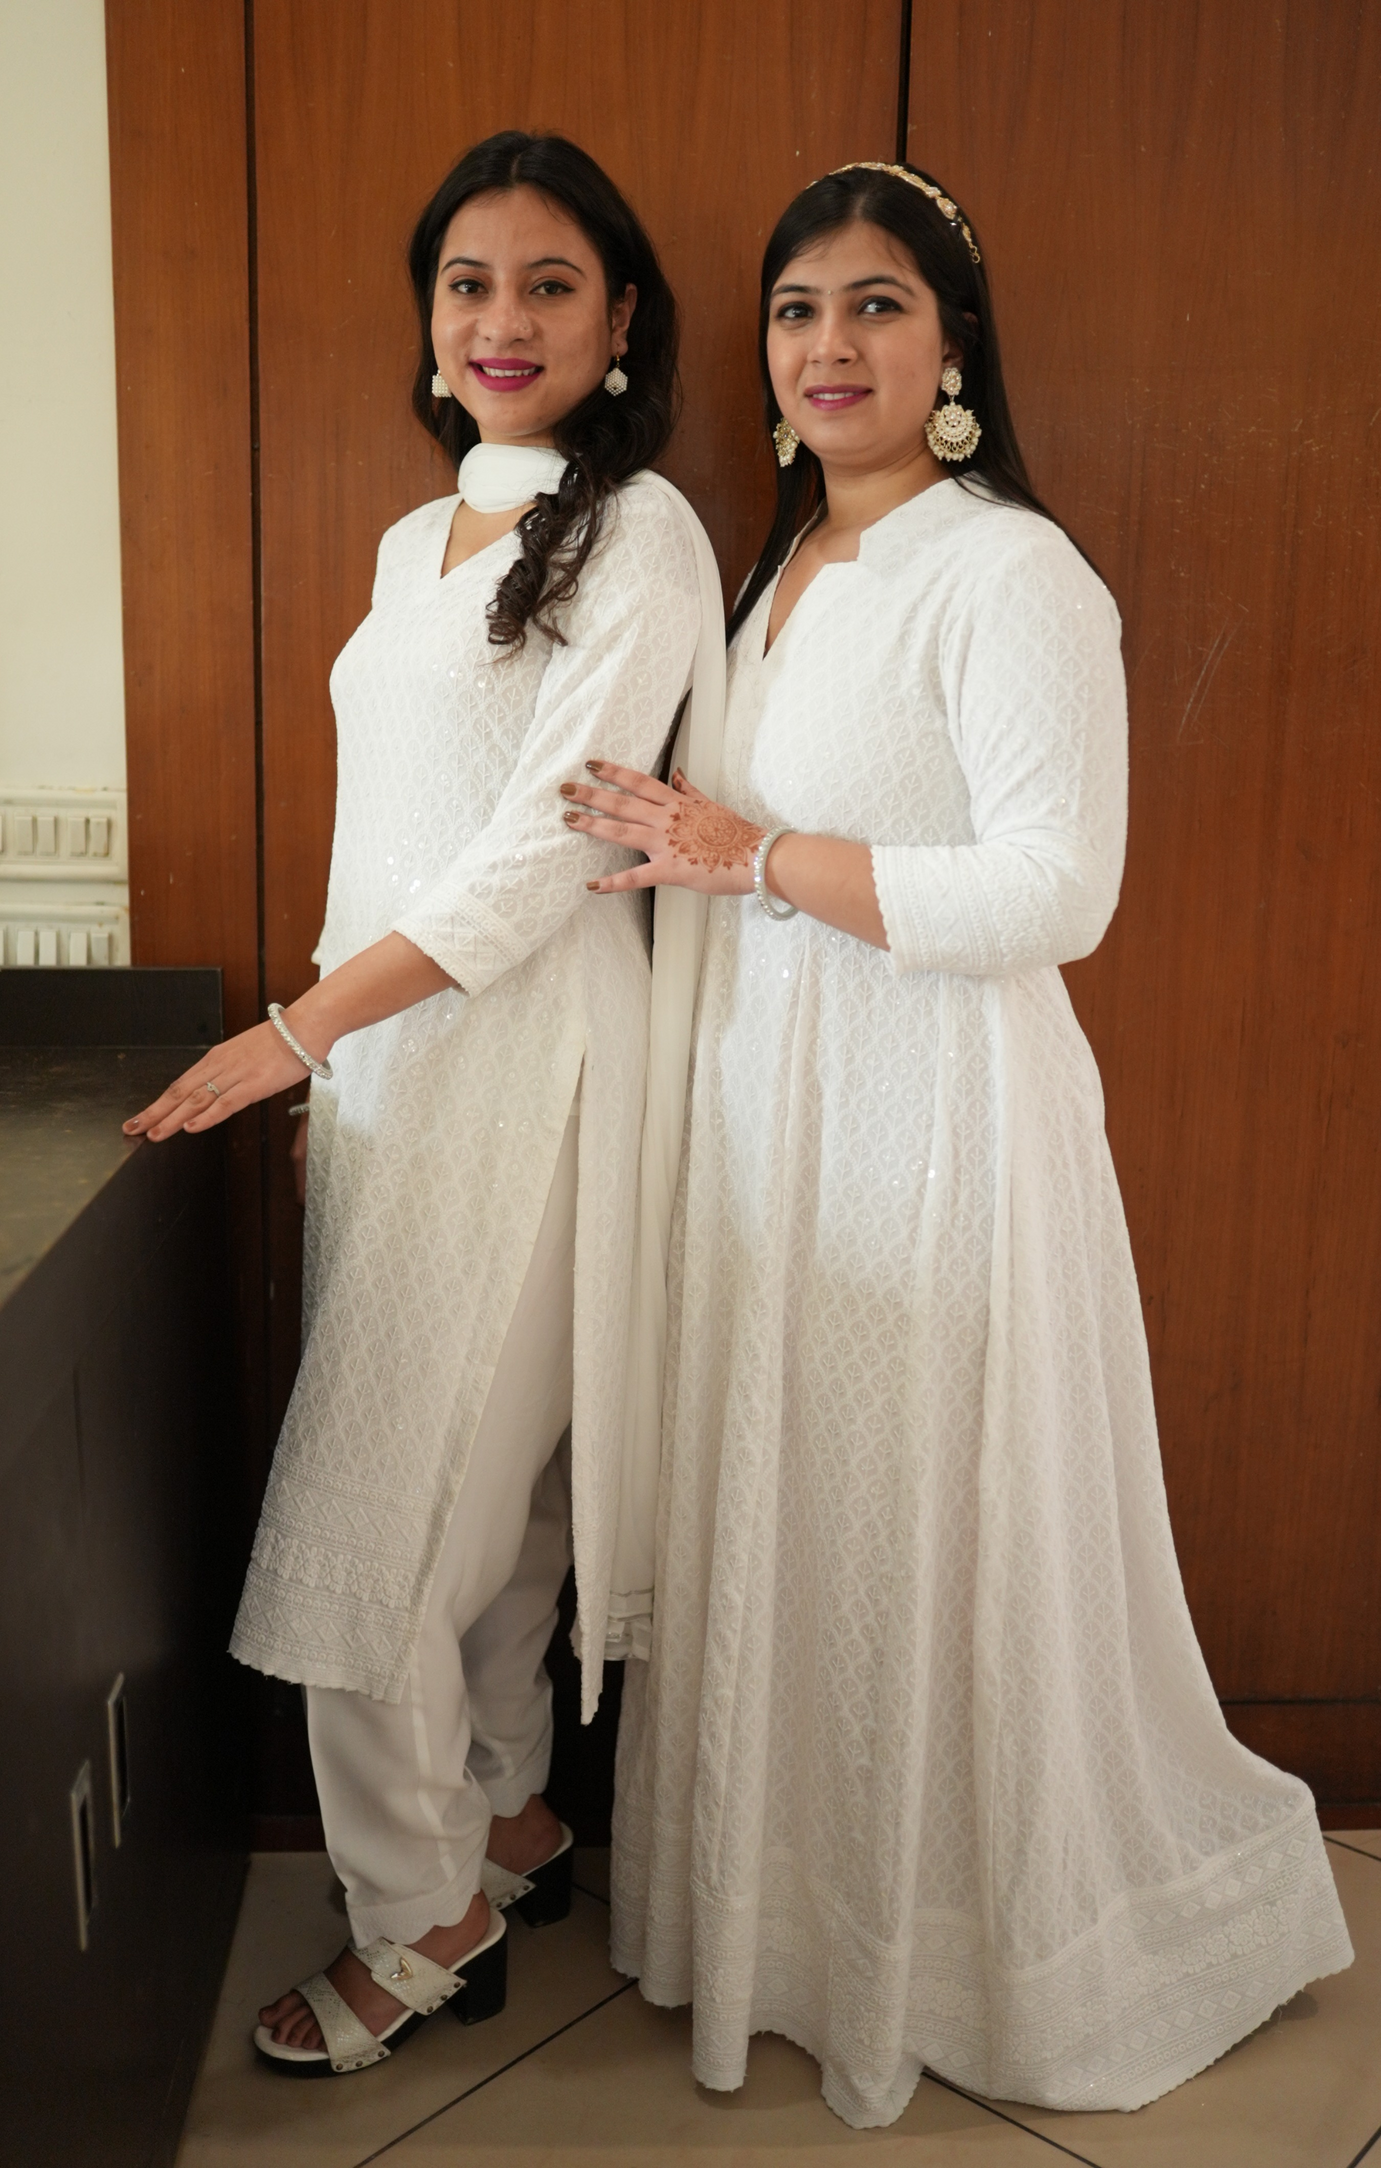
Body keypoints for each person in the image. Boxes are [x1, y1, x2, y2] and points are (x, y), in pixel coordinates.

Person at [559, 161, 1352, 2129]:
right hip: (771, 1113)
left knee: (926, 1539)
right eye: (796, 310)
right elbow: (724, 853)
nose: (828, 346)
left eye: (877, 305)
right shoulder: (775, 576)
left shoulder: (1009, 574)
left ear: (955, 345)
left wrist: (749, 854)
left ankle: (982, 1946)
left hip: (937, 1126)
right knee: (802, 1528)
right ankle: (791, 1931)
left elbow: (1054, 889)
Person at [125, 130, 723, 2079]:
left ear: (621, 321)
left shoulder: (643, 536)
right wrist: (342, 1054)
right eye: (469, 281)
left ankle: (422, 1915)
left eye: (549, 283)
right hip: (395, 1061)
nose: (502, 320)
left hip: (535, 1069)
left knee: (377, 1512)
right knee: (477, 1496)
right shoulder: (412, 544)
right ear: (430, 315)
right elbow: (378, 835)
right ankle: (507, 1815)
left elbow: (549, 852)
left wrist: (297, 1030)